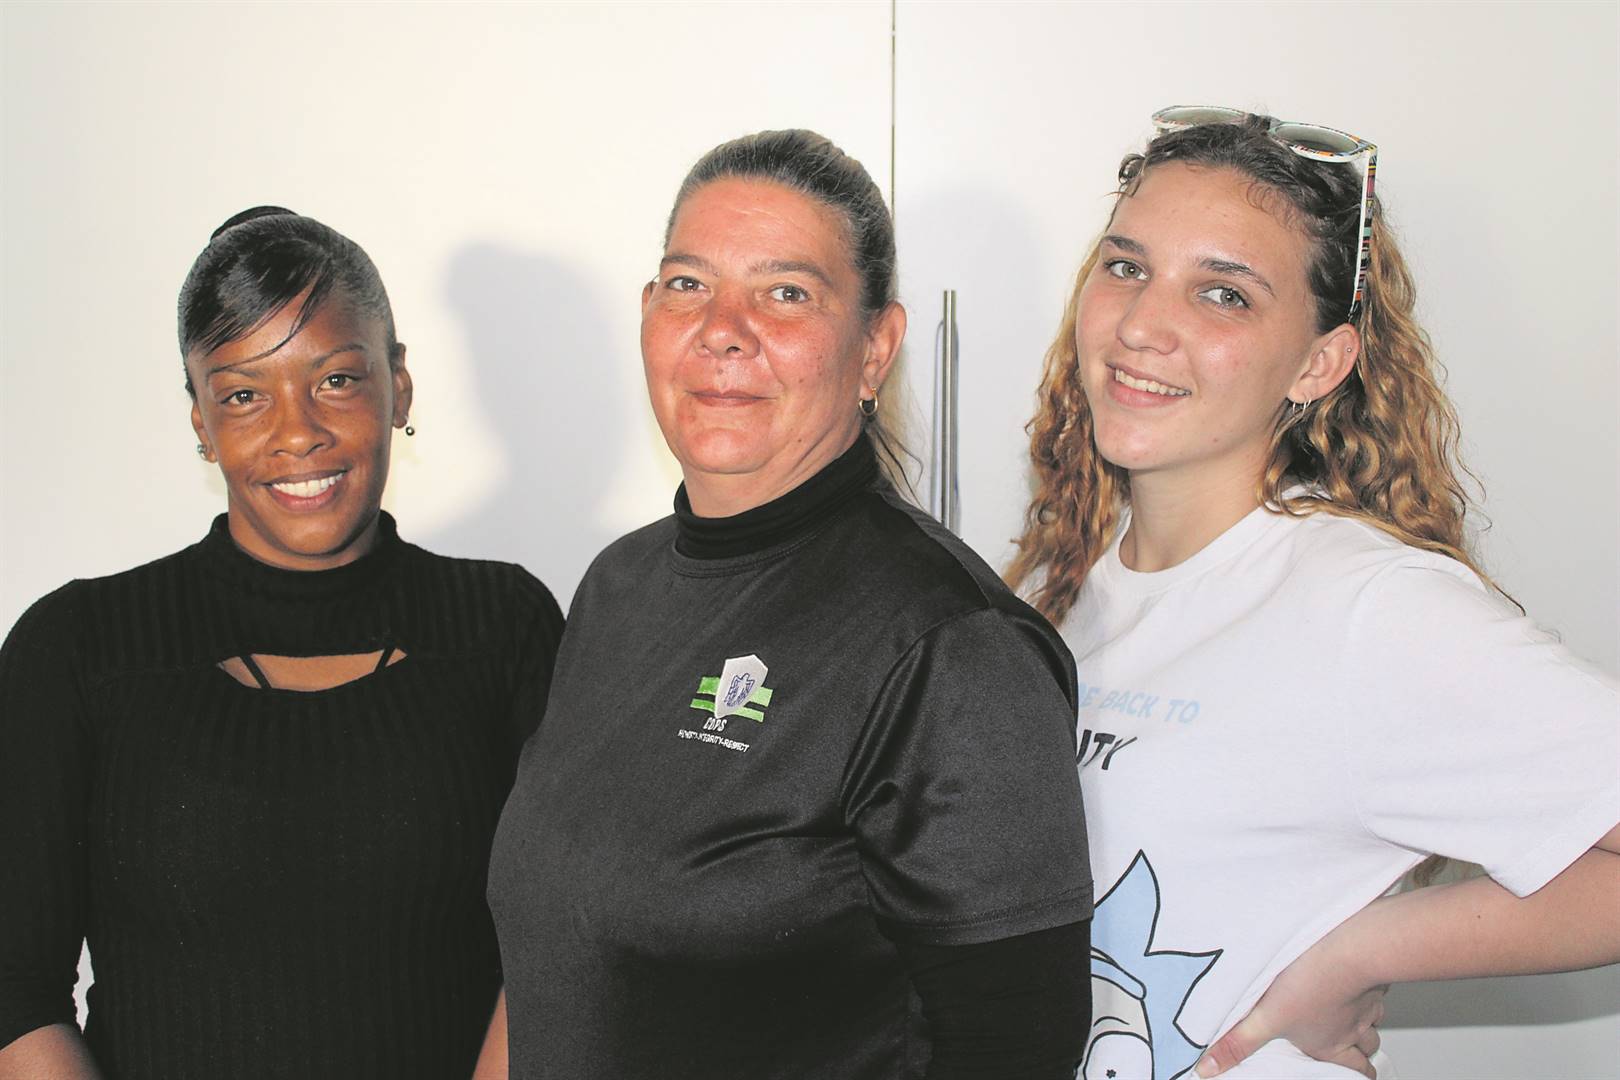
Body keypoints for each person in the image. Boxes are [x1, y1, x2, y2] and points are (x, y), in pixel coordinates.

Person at [1006, 108, 1620, 1080]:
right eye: (1126, 267)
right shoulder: (1061, 592)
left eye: (1223, 294)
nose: (1141, 325)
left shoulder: (1369, 609)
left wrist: (1360, 953)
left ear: (1319, 362)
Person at [485, 130, 1093, 1080]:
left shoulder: (951, 648)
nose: (722, 328)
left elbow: (1014, 1051)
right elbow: (554, 960)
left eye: (786, 294)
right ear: (648, 313)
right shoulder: (616, 586)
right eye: (689, 284)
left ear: (875, 349)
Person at [0, 207, 564, 1079]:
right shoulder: (79, 648)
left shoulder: (503, 626)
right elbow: (14, 988)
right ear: (200, 421)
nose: (297, 432)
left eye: (335, 380)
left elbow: (559, 947)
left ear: (398, 384)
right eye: (243, 395)